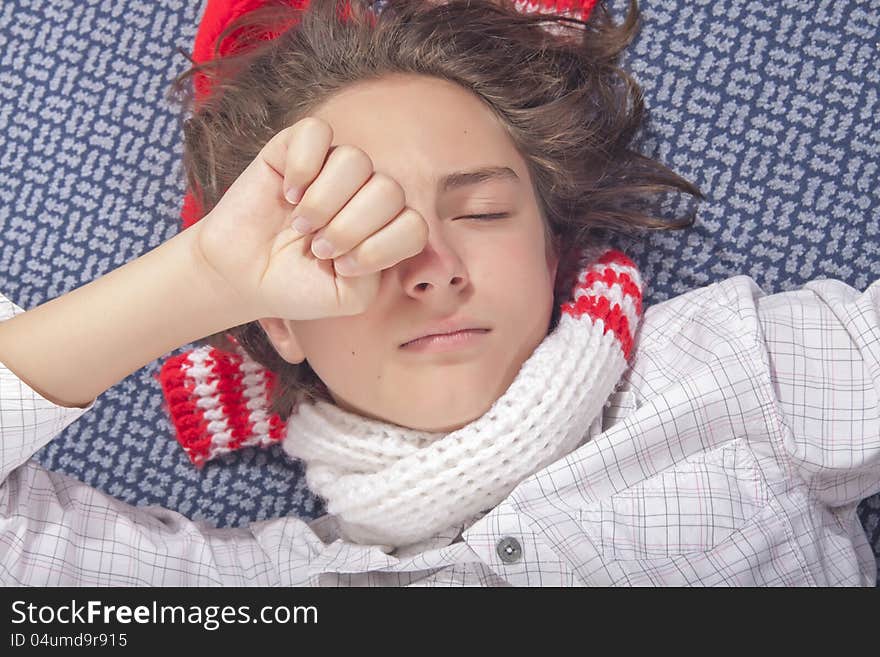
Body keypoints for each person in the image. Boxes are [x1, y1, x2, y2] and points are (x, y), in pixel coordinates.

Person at [0, 0, 877, 586]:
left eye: (486, 211)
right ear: (279, 323)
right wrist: (200, 281)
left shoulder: (728, 372)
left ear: (551, 253)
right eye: (358, 234)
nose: (433, 266)